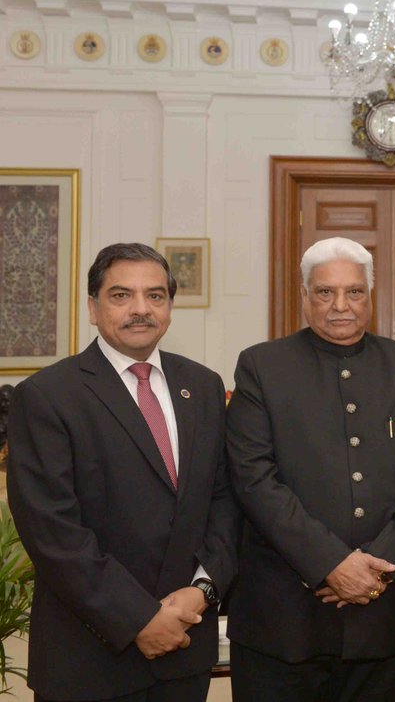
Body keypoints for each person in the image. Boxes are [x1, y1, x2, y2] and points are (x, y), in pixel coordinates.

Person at [7, 243, 239, 702]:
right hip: (91, 658)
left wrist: (202, 590)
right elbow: (52, 531)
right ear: (93, 308)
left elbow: (225, 500)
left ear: (170, 306)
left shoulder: (204, 386)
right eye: (120, 296)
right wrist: (138, 619)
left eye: (155, 296)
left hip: (184, 647)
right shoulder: (47, 395)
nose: (140, 309)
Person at [225, 236, 395, 702]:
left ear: (370, 296)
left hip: (384, 610)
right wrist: (330, 564)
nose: (340, 306)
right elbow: (253, 477)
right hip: (284, 613)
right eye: (325, 292)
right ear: (304, 296)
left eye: (354, 292)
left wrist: (377, 570)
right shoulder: (261, 366)